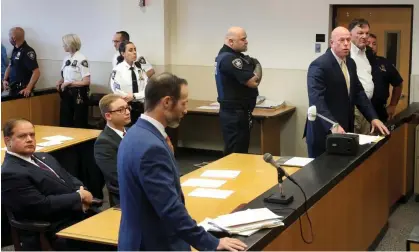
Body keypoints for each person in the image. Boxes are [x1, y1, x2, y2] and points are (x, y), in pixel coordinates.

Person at [117, 72, 247, 251]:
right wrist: (212, 242)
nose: (186, 110)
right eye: (184, 103)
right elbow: (170, 209)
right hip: (156, 244)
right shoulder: (151, 147)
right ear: (167, 102)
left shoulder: (134, 134)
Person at [1, 118, 98, 250]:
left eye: (32, 135)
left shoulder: (43, 156)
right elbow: (41, 205)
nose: (29, 139)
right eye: (22, 136)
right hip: (54, 227)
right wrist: (79, 197)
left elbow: (70, 178)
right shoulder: (11, 172)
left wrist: (81, 192)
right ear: (8, 141)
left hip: (78, 213)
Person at [304, 27, 389, 158]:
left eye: (348, 40)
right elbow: (316, 101)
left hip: (345, 129)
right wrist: (333, 125)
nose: (346, 43)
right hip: (323, 130)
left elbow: (359, 93)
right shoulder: (319, 65)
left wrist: (373, 117)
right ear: (331, 43)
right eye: (341, 40)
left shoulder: (350, 63)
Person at [215, 26, 262, 156]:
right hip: (235, 113)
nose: (246, 41)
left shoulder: (228, 56)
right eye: (243, 39)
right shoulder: (230, 59)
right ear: (231, 41)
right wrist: (257, 65)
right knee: (236, 152)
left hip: (237, 112)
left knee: (239, 150)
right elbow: (253, 82)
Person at [94, 94, 131, 206]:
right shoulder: (104, 143)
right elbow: (117, 176)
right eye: (121, 110)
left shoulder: (133, 132)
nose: (127, 112)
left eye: (127, 107)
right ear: (108, 116)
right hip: (126, 195)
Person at [56, 34, 91, 128]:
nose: (63, 46)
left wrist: (70, 83)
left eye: (64, 44)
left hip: (78, 93)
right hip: (66, 93)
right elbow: (65, 75)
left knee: (79, 121)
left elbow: (86, 81)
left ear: (70, 44)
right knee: (65, 119)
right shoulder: (67, 58)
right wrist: (61, 81)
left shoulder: (81, 59)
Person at [348, 18, 376, 134]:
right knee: (355, 143)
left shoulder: (368, 52)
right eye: (360, 33)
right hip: (354, 108)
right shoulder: (346, 52)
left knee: (365, 145)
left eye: (366, 33)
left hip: (366, 106)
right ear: (350, 34)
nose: (364, 36)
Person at [110, 40, 148, 125]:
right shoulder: (118, 70)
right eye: (130, 50)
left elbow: (147, 88)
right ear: (123, 54)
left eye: (135, 49)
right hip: (126, 107)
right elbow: (116, 90)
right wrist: (127, 97)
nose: (134, 52)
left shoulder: (139, 69)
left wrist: (134, 96)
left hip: (141, 107)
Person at [368, 33, 403, 122]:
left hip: (379, 110)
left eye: (374, 44)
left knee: (380, 135)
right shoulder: (354, 62)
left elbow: (398, 83)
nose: (371, 46)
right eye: (368, 43)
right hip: (359, 111)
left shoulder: (384, 63)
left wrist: (393, 105)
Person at [2, 27, 40, 97]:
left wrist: (28, 88)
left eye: (9, 37)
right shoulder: (15, 49)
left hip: (22, 91)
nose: (9, 39)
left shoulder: (27, 51)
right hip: (13, 88)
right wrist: (5, 80)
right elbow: (10, 66)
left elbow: (36, 72)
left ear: (13, 38)